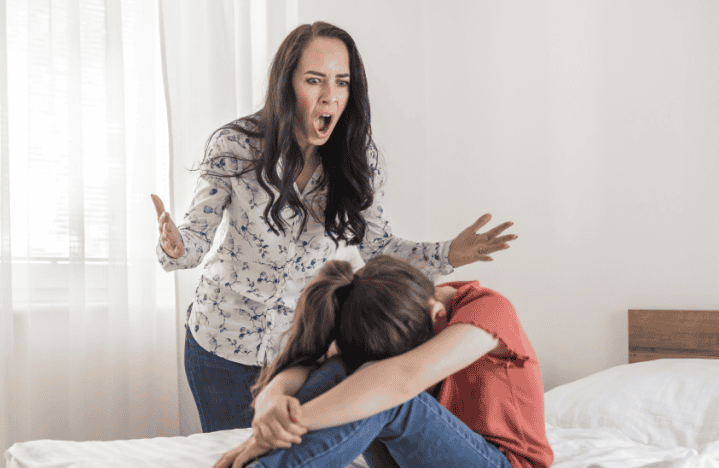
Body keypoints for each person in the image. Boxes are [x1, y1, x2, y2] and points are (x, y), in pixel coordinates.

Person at [152, 21, 517, 433]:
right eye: (314, 80)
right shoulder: (235, 146)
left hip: (297, 353)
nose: (330, 96)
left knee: (280, 458)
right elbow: (196, 239)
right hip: (219, 345)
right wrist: (177, 245)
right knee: (226, 459)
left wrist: (449, 253)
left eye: (341, 82)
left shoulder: (356, 160)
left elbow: (378, 246)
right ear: (286, 85)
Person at [115, 255, 553, 468]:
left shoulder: (489, 311)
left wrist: (286, 427)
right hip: (418, 462)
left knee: (386, 394)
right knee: (345, 372)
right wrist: (268, 412)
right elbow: (307, 364)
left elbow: (398, 381)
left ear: (437, 314)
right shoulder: (377, 300)